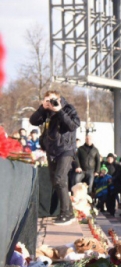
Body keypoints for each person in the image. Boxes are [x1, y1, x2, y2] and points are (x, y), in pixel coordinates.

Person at [29, 90, 80, 225]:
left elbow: (73, 125)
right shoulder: (46, 112)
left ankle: (65, 214)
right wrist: (42, 108)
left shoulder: (68, 108)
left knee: (59, 178)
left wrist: (59, 110)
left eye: (52, 100)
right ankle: (69, 212)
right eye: (47, 100)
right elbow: (33, 121)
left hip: (66, 149)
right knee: (56, 181)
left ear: (58, 98)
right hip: (51, 151)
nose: (50, 103)